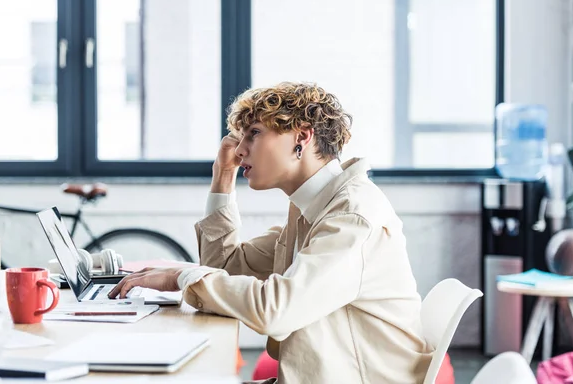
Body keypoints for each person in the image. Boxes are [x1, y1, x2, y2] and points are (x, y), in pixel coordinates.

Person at [108, 82, 433, 383]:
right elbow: (227, 265)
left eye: (253, 134)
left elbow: (275, 312)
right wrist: (223, 176)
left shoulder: (352, 215)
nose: (238, 150)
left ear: (301, 138)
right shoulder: (313, 209)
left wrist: (181, 277)